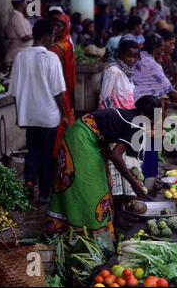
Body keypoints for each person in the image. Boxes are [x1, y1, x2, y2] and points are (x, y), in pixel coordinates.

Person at [44, 95, 161, 239]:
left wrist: (130, 176)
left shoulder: (131, 115)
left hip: (80, 133)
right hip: (81, 140)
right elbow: (116, 156)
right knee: (91, 185)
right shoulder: (138, 123)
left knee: (98, 180)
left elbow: (110, 140)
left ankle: (100, 222)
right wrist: (134, 184)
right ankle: (88, 231)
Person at [8, 19, 66, 204]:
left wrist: (19, 114)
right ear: (46, 36)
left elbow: (15, 91)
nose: (53, 40)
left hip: (29, 114)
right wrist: (64, 114)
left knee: (33, 150)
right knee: (48, 155)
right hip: (49, 116)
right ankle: (44, 193)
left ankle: (29, 181)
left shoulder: (20, 57)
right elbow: (58, 92)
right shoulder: (51, 58)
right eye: (52, 36)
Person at [133, 34, 177, 178]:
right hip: (145, 109)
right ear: (155, 48)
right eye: (160, 49)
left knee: (149, 143)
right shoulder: (150, 63)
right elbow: (169, 89)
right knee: (149, 144)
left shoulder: (142, 58)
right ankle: (146, 178)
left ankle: (150, 177)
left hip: (141, 107)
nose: (162, 52)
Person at [99, 40, 141, 225]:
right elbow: (104, 99)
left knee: (127, 168)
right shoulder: (113, 71)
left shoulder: (127, 73)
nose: (132, 59)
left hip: (127, 126)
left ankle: (122, 211)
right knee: (116, 172)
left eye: (135, 56)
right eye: (129, 55)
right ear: (121, 54)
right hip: (115, 127)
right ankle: (116, 216)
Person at [49, 15, 77, 157]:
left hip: (59, 88)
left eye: (59, 26)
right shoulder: (65, 44)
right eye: (54, 25)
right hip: (64, 88)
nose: (55, 28)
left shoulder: (58, 47)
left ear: (65, 27)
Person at [5, 0, 33, 68]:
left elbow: (6, 35)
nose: (27, 5)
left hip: (17, 55)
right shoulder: (18, 17)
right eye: (26, 3)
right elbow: (24, 37)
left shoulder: (16, 15)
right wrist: (37, 34)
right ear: (22, 4)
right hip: (16, 56)